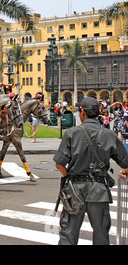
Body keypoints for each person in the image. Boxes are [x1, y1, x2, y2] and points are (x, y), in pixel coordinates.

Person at [54, 97, 128, 245]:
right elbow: (125, 162)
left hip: (75, 190)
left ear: (82, 112)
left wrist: (69, 176)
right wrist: (124, 172)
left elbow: (59, 165)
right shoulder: (109, 135)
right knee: (101, 234)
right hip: (99, 190)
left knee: (68, 234)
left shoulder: (71, 133)